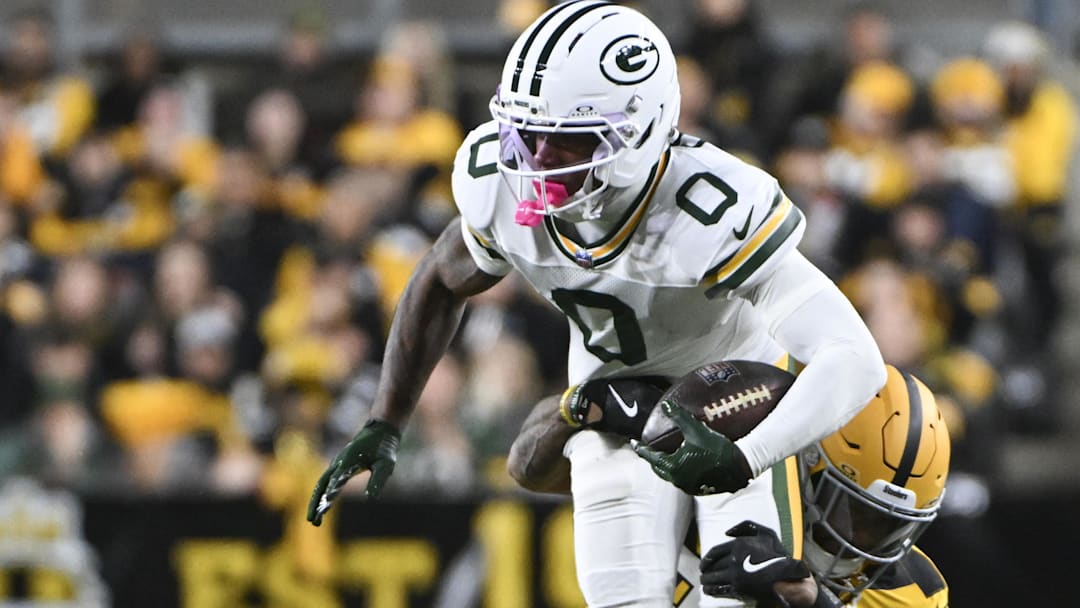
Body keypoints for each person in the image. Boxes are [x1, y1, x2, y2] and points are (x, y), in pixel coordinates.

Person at [307, 3, 886, 606]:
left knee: (743, 597)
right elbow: (439, 278)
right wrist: (385, 420)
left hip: (733, 406)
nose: (533, 164)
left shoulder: (706, 208)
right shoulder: (498, 185)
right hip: (608, 407)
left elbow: (854, 357)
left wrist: (748, 454)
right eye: (524, 136)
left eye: (562, 143)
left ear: (640, 128)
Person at [695, 365, 950, 607]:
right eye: (852, 511)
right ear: (808, 459)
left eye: (883, 526)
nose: (856, 540)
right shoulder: (737, 491)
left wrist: (812, 600)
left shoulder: (917, 592)